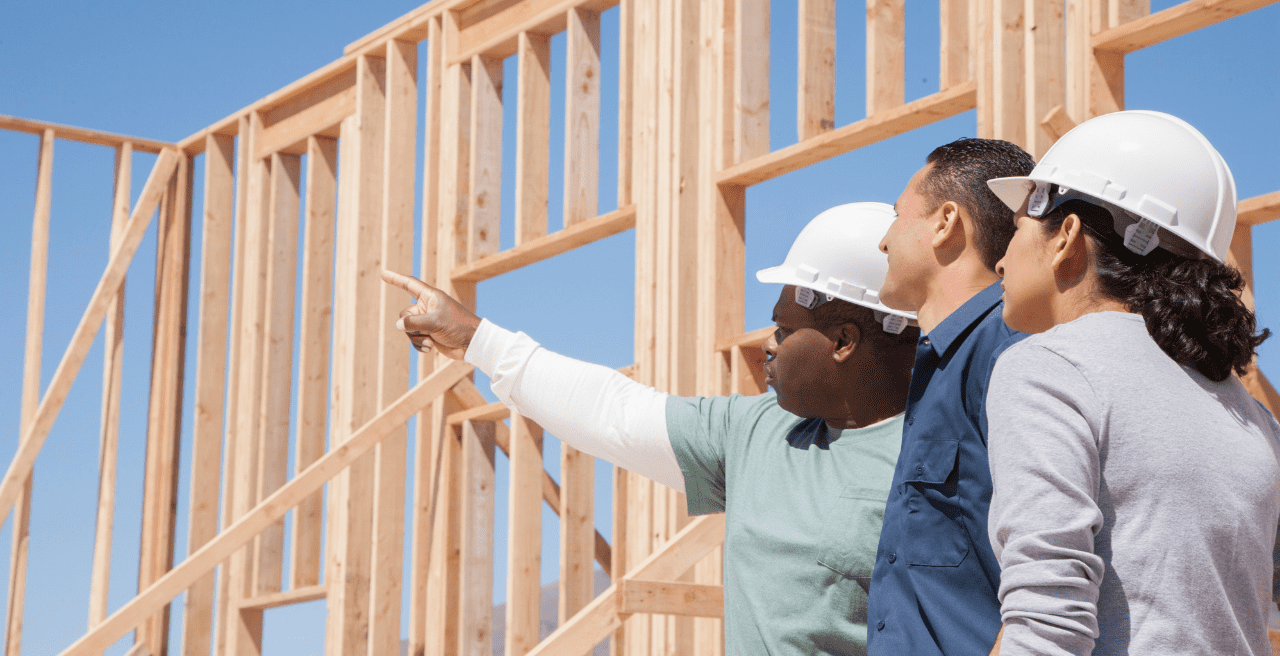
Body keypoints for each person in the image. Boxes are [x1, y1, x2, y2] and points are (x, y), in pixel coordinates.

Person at [383, 202, 919, 655]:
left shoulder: (938, 458)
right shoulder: (757, 431)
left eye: (784, 328)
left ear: (844, 340)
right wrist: (478, 338)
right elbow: (612, 413)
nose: (767, 344)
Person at [983, 110, 1280, 655]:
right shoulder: (1252, 417)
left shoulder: (1050, 368)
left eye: (1017, 227)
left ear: (1066, 235)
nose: (1000, 261)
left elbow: (1047, 623)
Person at [868, 138, 1036, 656]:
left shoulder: (1009, 352)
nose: (883, 242)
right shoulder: (941, 361)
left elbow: (1048, 564)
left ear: (945, 223)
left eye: (898, 216)